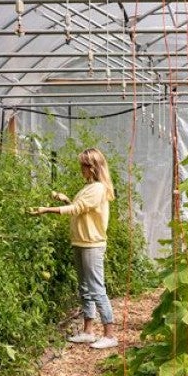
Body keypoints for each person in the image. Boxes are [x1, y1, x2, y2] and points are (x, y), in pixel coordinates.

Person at [30, 148, 117, 350]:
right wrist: (65, 199)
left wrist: (46, 210)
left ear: (92, 167)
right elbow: (81, 209)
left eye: (83, 166)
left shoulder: (98, 188)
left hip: (92, 244)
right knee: (85, 287)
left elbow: (77, 210)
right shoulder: (90, 187)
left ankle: (110, 334)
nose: (81, 169)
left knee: (96, 288)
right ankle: (88, 331)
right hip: (81, 242)